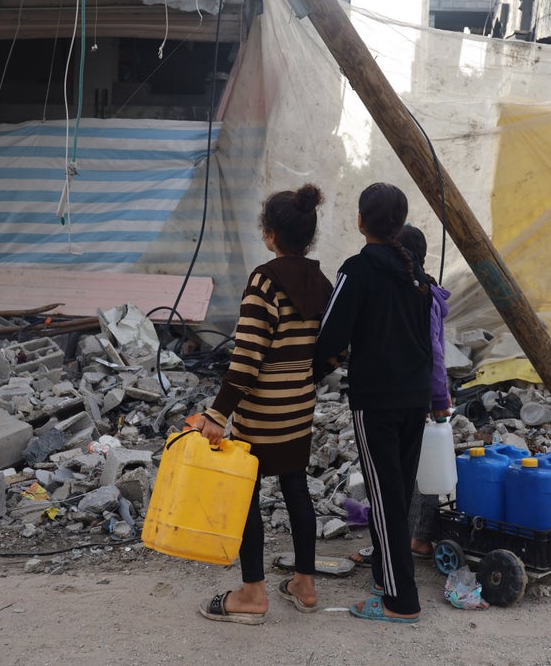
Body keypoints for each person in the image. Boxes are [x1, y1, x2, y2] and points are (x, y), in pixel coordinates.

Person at [192, 184, 333, 625]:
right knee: (296, 488)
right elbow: (334, 350)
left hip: (262, 415)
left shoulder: (264, 280)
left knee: (247, 495)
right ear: (307, 237)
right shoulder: (324, 283)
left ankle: (252, 594)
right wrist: (304, 378)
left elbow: (247, 356)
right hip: (299, 411)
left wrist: (217, 414)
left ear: (270, 234)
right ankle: (304, 586)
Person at [315, 183, 432, 624]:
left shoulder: (357, 270)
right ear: (400, 224)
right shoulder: (418, 275)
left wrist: (314, 370)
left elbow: (329, 336)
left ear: (360, 220)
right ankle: (387, 575)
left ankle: (402, 601)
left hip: (377, 399)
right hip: (413, 397)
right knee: (396, 491)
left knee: (383, 496)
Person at [346, 224, 451, 566]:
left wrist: (439, 399)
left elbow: (433, 352)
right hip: (419, 392)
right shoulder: (426, 292)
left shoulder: (417, 295)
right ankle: (415, 539)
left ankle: (391, 551)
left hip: (406, 394)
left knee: (395, 482)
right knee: (417, 471)